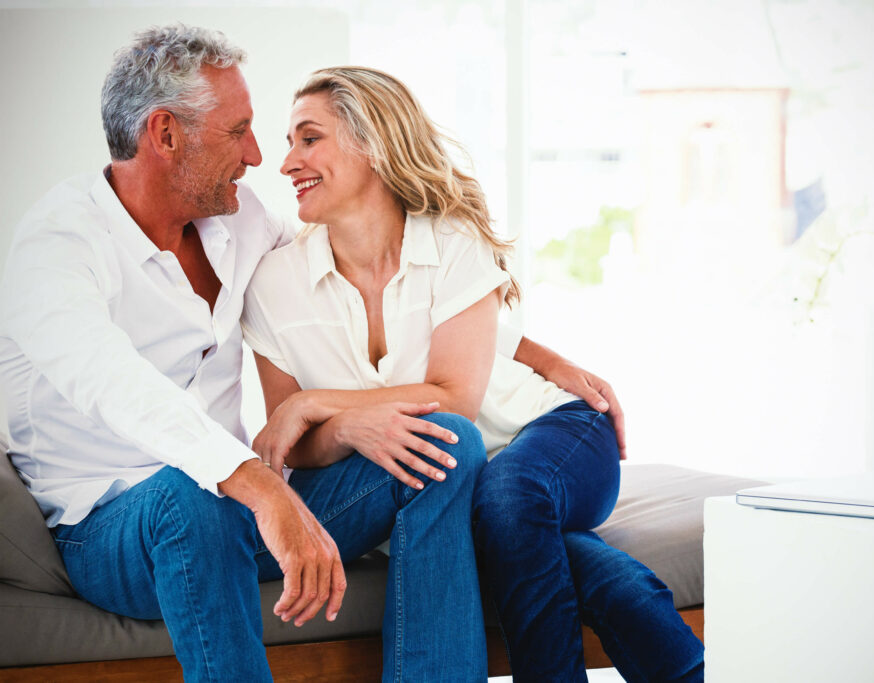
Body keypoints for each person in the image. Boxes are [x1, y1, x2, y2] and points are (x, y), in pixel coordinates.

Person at [0, 24, 610, 682]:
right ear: (166, 135)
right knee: (189, 493)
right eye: (238, 132)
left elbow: (354, 252)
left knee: (448, 443)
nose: (261, 155)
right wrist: (264, 491)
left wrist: (533, 352)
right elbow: (113, 383)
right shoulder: (57, 248)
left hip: (239, 509)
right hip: (116, 528)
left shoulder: (238, 220)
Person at [241, 66, 705, 682]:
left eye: (309, 138)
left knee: (507, 501)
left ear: (373, 144)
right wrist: (343, 427)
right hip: (447, 474)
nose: (286, 162)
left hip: (549, 434)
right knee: (545, 545)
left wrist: (315, 401)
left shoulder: (453, 241)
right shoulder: (276, 284)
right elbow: (297, 448)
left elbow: (455, 400)